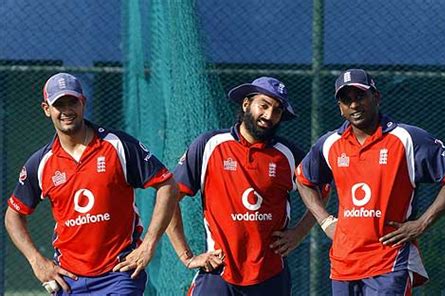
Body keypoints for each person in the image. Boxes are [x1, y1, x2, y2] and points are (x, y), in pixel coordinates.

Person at [295, 68, 445, 295]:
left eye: (360, 96)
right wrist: (325, 220)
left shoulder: (407, 138)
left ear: (376, 97)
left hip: (390, 261)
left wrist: (422, 223)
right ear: (340, 108)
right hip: (343, 263)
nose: (354, 105)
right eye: (346, 100)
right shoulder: (329, 144)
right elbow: (303, 180)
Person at [4, 72, 179, 295]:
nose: (67, 111)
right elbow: (13, 215)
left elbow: (168, 185)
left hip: (120, 273)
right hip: (69, 279)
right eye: (59, 104)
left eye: (72, 102)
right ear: (47, 110)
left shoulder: (118, 146)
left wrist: (149, 245)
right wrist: (36, 261)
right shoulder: (40, 163)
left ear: (83, 103)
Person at [165, 77, 329, 295]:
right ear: (246, 104)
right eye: (264, 105)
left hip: (271, 276)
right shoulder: (209, 145)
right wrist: (186, 256)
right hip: (218, 272)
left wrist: (298, 233)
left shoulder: (287, 154)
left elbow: (323, 187)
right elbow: (168, 198)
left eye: (277, 110)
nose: (269, 116)